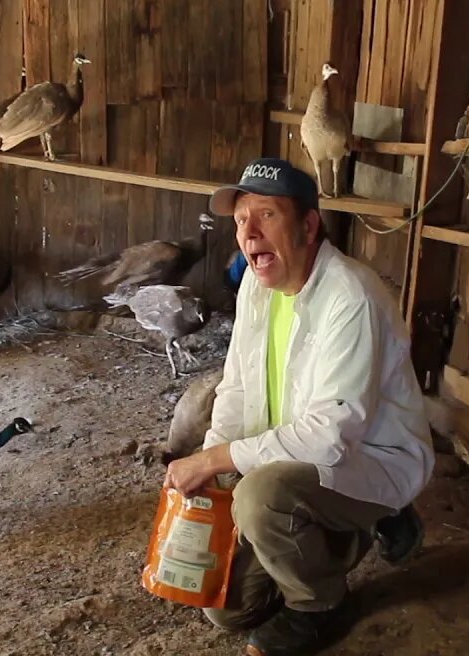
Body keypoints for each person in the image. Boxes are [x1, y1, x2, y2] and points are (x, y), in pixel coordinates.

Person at [163, 157, 434, 656]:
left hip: (369, 457)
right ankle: (346, 532)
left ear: (308, 226)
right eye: (242, 219)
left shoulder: (351, 296)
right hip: (295, 457)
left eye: (266, 216)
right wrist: (213, 459)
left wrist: (218, 462)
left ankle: (320, 604)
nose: (249, 233)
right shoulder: (256, 284)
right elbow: (239, 385)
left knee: (261, 496)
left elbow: (331, 434)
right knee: (227, 610)